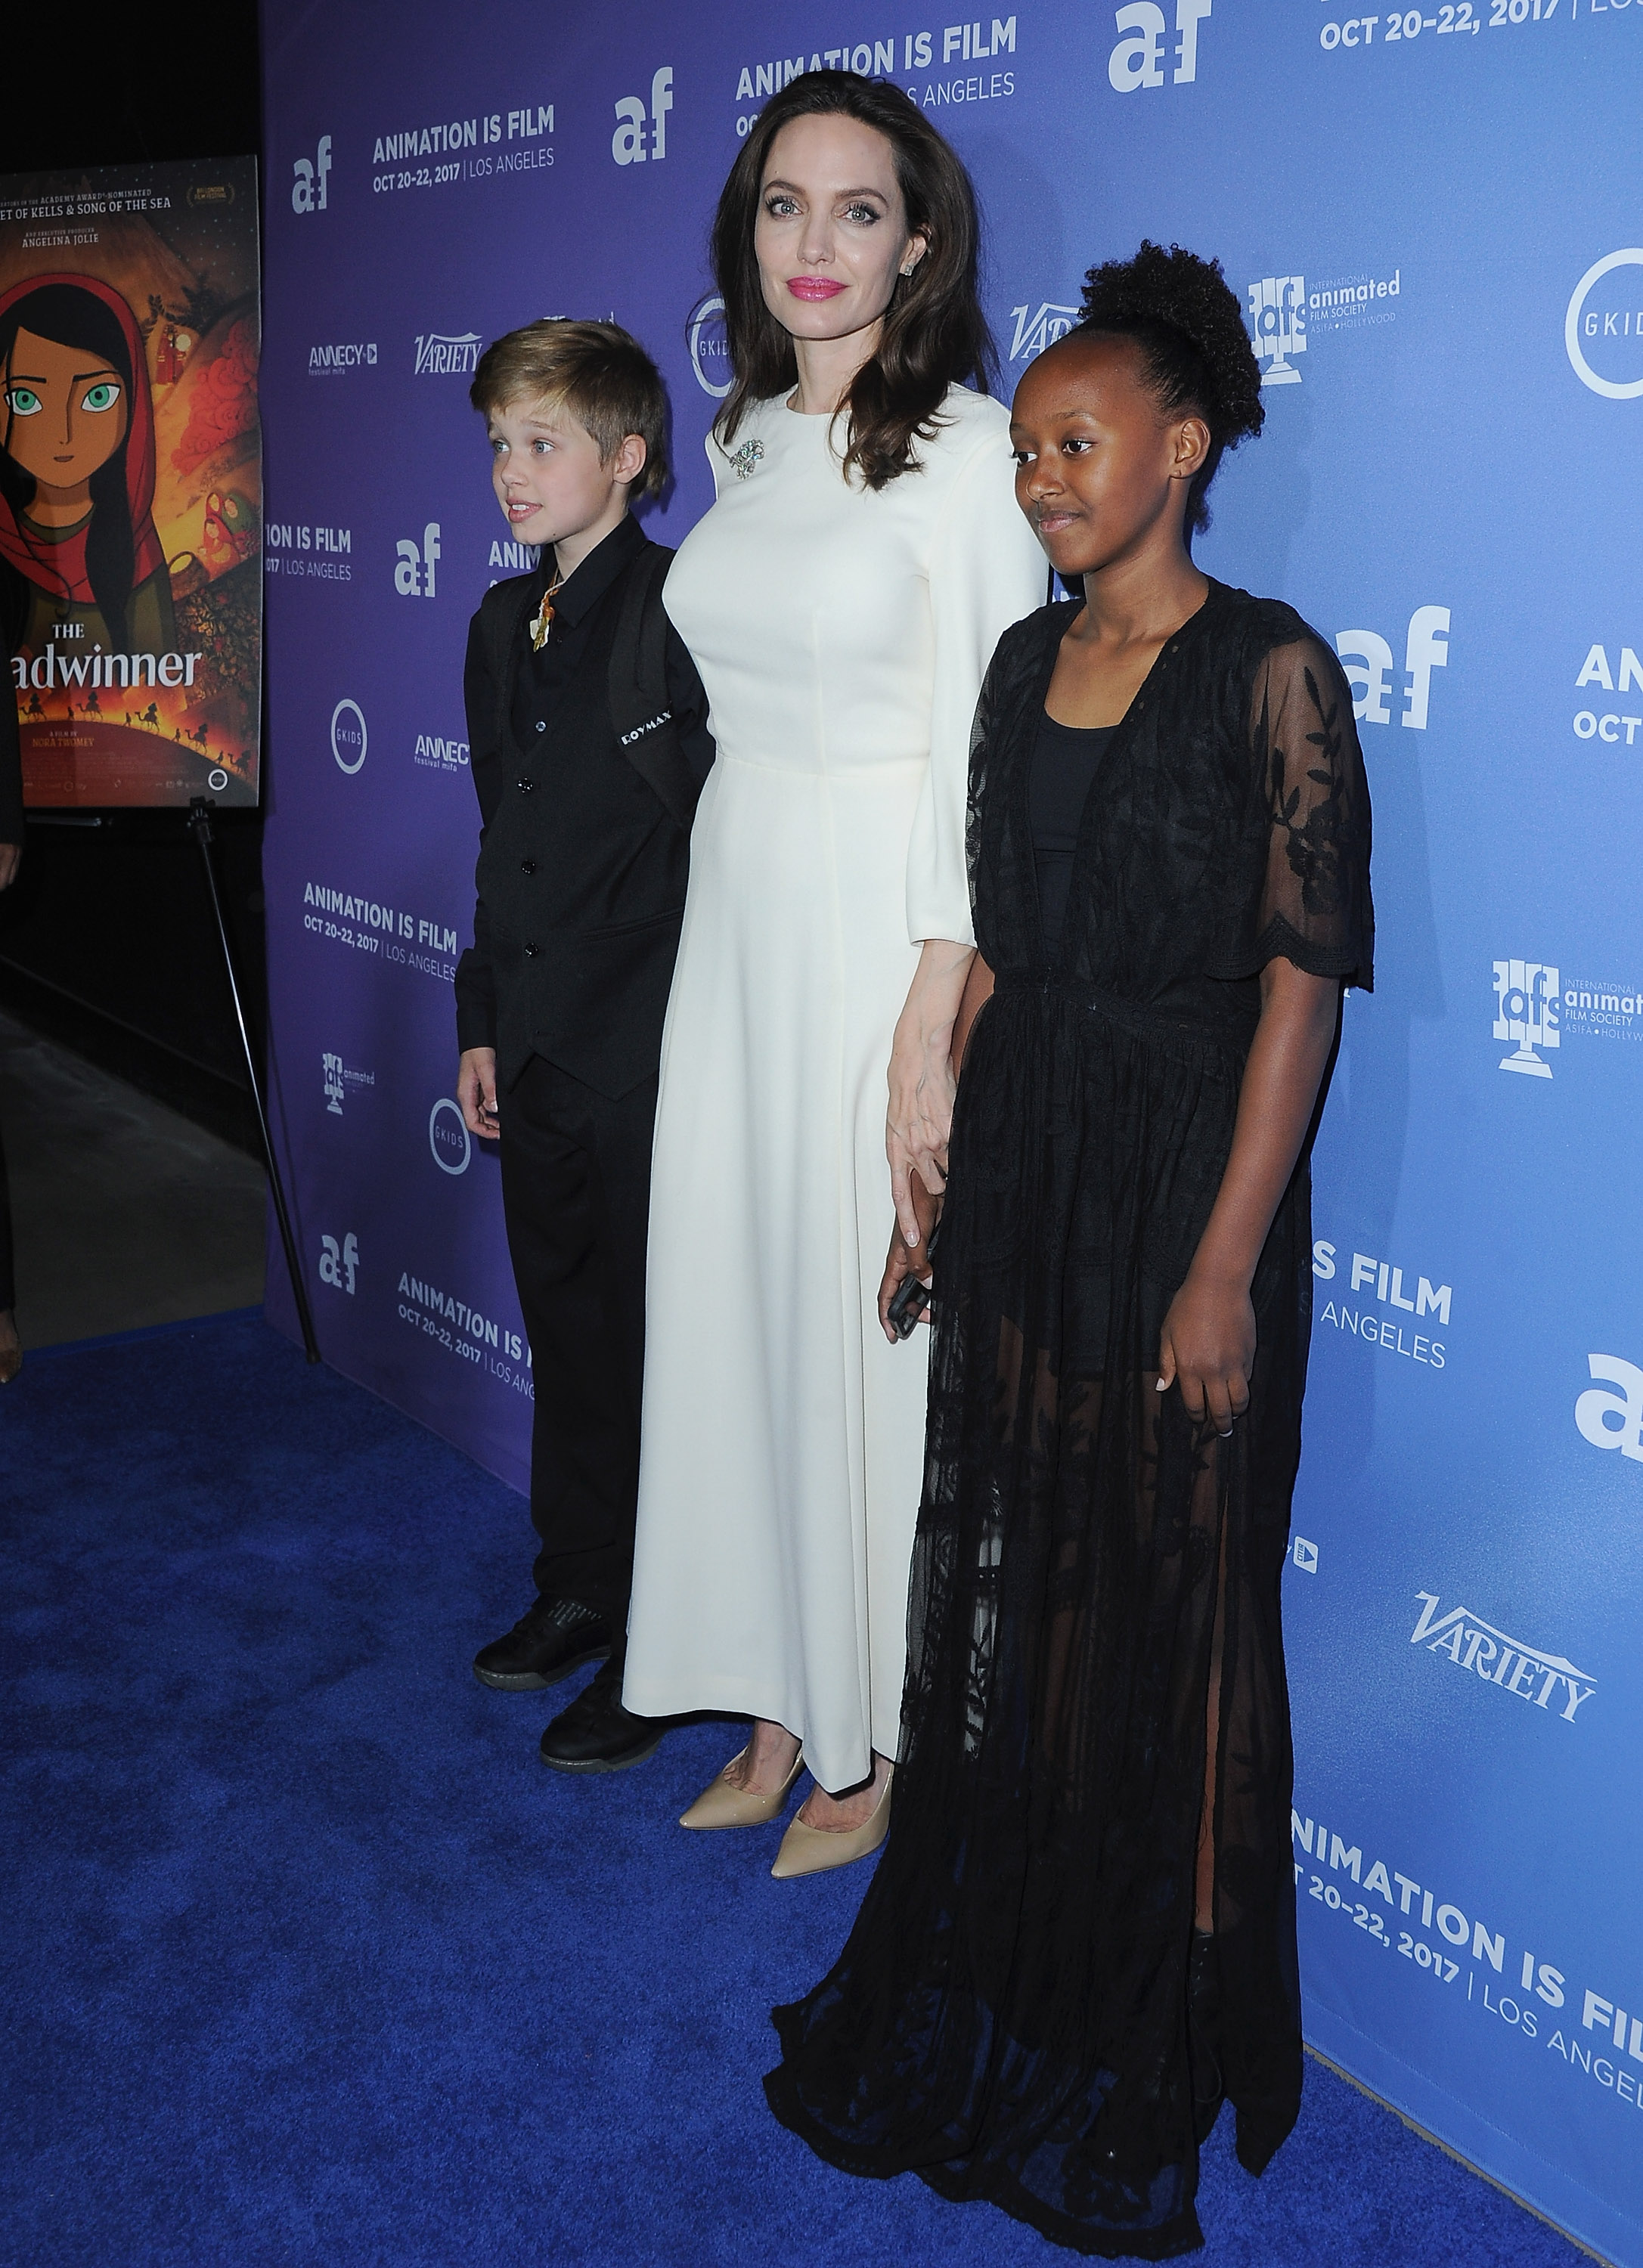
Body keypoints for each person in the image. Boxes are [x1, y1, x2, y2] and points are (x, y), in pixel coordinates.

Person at [764, 242, 1375, 2254]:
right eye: (1026, 444)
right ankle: (1027, 1963)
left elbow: (1298, 984)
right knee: (1023, 1598)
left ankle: (1162, 2054)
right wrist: (933, 1169)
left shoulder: (1274, 667)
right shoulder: (1021, 666)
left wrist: (1222, 1263)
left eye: (1078, 440)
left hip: (1189, 1192)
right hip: (1029, 1173)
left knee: (1180, 1621)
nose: (1040, 473)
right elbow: (1004, 949)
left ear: (1181, 449)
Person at [622, 73, 1043, 1874]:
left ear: (918, 242)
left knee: (867, 1337)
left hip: (885, 920)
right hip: (736, 911)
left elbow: (993, 745)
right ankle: (773, 1686)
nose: (814, 244)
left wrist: (935, 1010)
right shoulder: (740, 441)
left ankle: (873, 1732)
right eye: (781, 207)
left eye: (854, 210)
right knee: (737, 1298)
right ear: (746, 236)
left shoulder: (971, 447)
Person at [454, 321, 714, 1773]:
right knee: (569, 1338)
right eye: (497, 442)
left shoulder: (686, 613)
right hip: (541, 1056)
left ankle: (672, 1648)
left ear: (627, 457)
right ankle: (583, 1586)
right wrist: (479, 1016)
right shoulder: (500, 627)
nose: (509, 470)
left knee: (665, 1358)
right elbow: (506, 845)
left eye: (540, 442)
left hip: (661, 1060)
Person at [0, 275, 176, 658]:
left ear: (134, 402)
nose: (62, 434)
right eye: (25, 399)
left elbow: (161, 682)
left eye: (97, 397)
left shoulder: (134, 541)